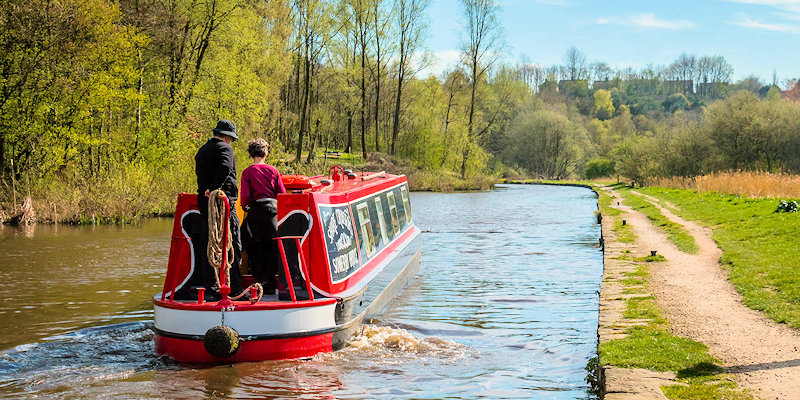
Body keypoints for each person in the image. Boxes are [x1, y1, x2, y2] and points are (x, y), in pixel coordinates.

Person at [193, 119, 243, 298]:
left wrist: (207, 189)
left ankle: (211, 288)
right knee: (232, 245)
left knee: (210, 244)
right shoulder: (225, 149)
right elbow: (225, 167)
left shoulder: (202, 150)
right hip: (223, 203)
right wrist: (215, 188)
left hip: (204, 203)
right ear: (227, 137)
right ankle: (235, 287)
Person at [240, 139, 286, 292]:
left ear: (251, 154)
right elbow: (282, 193)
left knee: (254, 247)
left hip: (256, 212)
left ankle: (260, 284)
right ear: (265, 153)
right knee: (272, 248)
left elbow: (245, 198)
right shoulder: (273, 171)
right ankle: (273, 284)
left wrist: (245, 206)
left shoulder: (247, 172)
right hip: (273, 212)